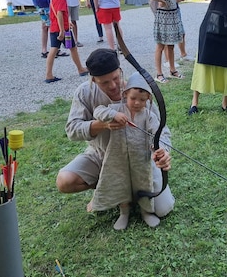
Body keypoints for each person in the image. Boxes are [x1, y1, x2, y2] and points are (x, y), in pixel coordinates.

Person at [56, 48, 174, 221]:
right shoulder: (85, 93)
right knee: (65, 181)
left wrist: (162, 149)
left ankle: (131, 191)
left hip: (139, 159)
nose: (113, 86)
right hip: (102, 156)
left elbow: (161, 129)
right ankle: (109, 189)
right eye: (104, 82)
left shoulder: (136, 90)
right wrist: (101, 125)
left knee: (163, 209)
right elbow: (72, 130)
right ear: (93, 80)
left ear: (120, 71)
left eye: (116, 78)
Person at [89, 72, 170, 229]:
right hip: (118, 158)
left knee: (144, 184)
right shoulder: (116, 108)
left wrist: (158, 146)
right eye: (133, 98)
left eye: (142, 100)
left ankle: (146, 212)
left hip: (141, 159)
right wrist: (112, 114)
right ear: (125, 94)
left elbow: (157, 131)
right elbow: (97, 111)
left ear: (149, 100)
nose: (137, 103)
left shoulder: (148, 115)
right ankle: (124, 213)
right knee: (121, 183)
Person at [149, 0, 185, 83]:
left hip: (173, 16)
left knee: (171, 45)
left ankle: (172, 70)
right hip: (164, 18)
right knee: (160, 46)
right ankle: (159, 74)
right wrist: (161, 1)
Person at [45, 0, 89, 83]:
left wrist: (66, 22)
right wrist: (62, 30)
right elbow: (59, 14)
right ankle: (80, 69)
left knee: (53, 50)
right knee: (73, 48)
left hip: (54, 28)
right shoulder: (62, 0)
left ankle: (48, 74)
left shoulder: (53, 0)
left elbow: (56, 15)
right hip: (63, 31)